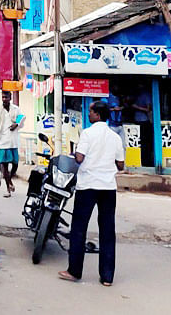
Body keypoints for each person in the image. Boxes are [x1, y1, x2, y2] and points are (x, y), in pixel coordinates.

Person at [58, 99, 125, 287]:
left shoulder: (87, 134)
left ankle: (74, 271)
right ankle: (107, 277)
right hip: (108, 187)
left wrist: (77, 156)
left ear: (97, 114)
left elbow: (79, 157)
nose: (88, 114)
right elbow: (120, 165)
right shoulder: (115, 137)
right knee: (107, 231)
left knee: (79, 229)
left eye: (90, 111)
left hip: (87, 186)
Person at [0, 90, 24, 196]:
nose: (4, 99)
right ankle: (8, 187)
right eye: (3, 97)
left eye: (6, 97)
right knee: (3, 166)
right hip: (2, 142)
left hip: (13, 141)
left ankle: (10, 180)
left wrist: (16, 124)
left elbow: (21, 118)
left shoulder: (16, 109)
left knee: (15, 164)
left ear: (10, 97)